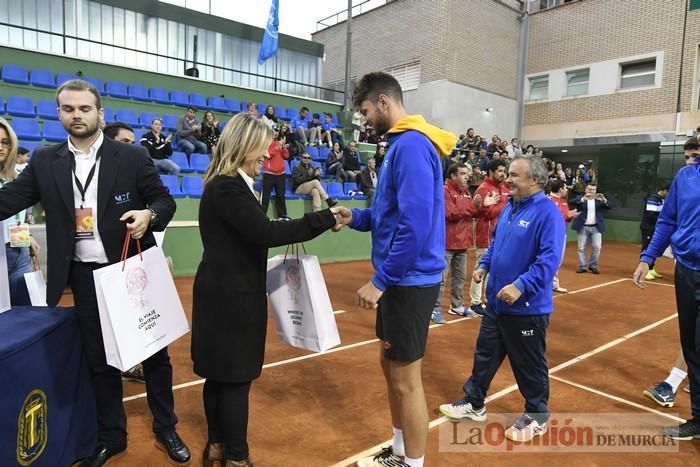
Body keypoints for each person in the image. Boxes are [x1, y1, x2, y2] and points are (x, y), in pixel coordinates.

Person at [0, 80, 190, 467]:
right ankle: (112, 435)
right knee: (99, 360)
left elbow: (163, 200)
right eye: (68, 109)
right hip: (84, 277)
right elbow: (10, 199)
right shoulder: (44, 161)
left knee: (153, 355)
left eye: (84, 109)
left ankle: (166, 427)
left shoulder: (132, 156)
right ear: (59, 114)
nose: (77, 115)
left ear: (99, 113)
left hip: (130, 268)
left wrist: (149, 215)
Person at [191, 112, 347, 467]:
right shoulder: (229, 186)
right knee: (235, 381)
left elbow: (256, 229)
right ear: (245, 146)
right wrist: (325, 218)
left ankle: (216, 448)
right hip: (233, 298)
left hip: (219, 293)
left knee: (218, 377)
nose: (268, 155)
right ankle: (237, 458)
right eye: (263, 148)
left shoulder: (224, 184)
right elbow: (265, 233)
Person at [337, 71, 457, 467]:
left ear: (384, 102)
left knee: (406, 380)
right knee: (390, 368)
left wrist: (381, 281)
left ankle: (412, 464)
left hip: (408, 280)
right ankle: (401, 452)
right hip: (401, 278)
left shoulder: (410, 147)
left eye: (366, 110)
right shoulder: (398, 146)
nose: (364, 119)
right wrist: (353, 217)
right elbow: (389, 214)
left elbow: (416, 224)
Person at [439, 155, 565, 443]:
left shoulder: (548, 214)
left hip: (526, 308)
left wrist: (521, 285)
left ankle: (537, 415)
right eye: (508, 174)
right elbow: (497, 243)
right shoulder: (510, 206)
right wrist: (485, 265)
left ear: (534, 179)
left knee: (528, 363)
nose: (508, 179)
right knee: (485, 354)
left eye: (514, 175)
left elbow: (549, 261)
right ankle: (474, 402)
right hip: (497, 304)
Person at [632, 135, 700, 441]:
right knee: (691, 346)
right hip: (686, 270)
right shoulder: (685, 176)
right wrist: (648, 258)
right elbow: (667, 221)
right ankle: (698, 419)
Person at [432, 163, 498, 323]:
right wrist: (473, 206)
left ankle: (457, 305)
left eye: (467, 173)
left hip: (463, 242)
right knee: (440, 280)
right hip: (446, 242)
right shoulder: (444, 190)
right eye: (462, 173)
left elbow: (473, 213)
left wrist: (483, 205)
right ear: (453, 176)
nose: (467, 176)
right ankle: (434, 309)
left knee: (460, 278)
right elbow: (451, 214)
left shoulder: (467, 193)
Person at [0, 117, 39, 306]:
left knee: (22, 311)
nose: (1, 147)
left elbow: (16, 215)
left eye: (5, 142)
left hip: (19, 248)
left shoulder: (16, 177)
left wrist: (27, 236)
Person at [468, 159, 510, 315]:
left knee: (494, 270)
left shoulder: (504, 187)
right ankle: (475, 302)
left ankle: (486, 300)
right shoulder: (483, 188)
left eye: (503, 170)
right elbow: (488, 213)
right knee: (480, 269)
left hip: (500, 235)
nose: (503, 173)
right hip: (485, 234)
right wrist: (501, 206)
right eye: (499, 170)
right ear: (491, 172)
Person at [571, 183, 611, 274]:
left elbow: (610, 206)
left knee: (597, 247)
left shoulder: (599, 200)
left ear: (596, 191)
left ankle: (593, 266)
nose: (591, 191)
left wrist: (604, 200)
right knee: (581, 248)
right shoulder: (580, 198)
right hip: (583, 227)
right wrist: (582, 199)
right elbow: (572, 202)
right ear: (586, 190)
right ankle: (583, 266)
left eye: (593, 190)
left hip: (596, 228)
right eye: (589, 189)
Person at [548, 179, 579, 293]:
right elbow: (551, 218)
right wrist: (566, 215)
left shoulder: (564, 201)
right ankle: (544, 285)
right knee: (548, 259)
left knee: (558, 260)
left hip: (561, 234)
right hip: (549, 236)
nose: (566, 190)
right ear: (560, 189)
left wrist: (571, 215)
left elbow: (566, 217)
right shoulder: (548, 200)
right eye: (565, 188)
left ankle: (554, 284)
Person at [639, 184, 670, 280]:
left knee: (653, 248)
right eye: (669, 193)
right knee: (647, 247)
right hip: (648, 227)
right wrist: (663, 220)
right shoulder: (653, 199)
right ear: (664, 191)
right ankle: (645, 270)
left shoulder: (662, 200)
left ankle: (651, 269)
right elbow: (650, 215)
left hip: (655, 228)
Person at [261, 126, 291, 219]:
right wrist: (278, 146)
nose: (276, 133)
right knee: (265, 197)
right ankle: (261, 216)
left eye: (277, 131)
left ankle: (282, 215)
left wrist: (283, 147)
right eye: (274, 131)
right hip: (269, 174)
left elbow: (286, 155)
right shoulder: (265, 142)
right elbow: (268, 154)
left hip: (281, 174)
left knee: (281, 196)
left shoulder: (279, 143)